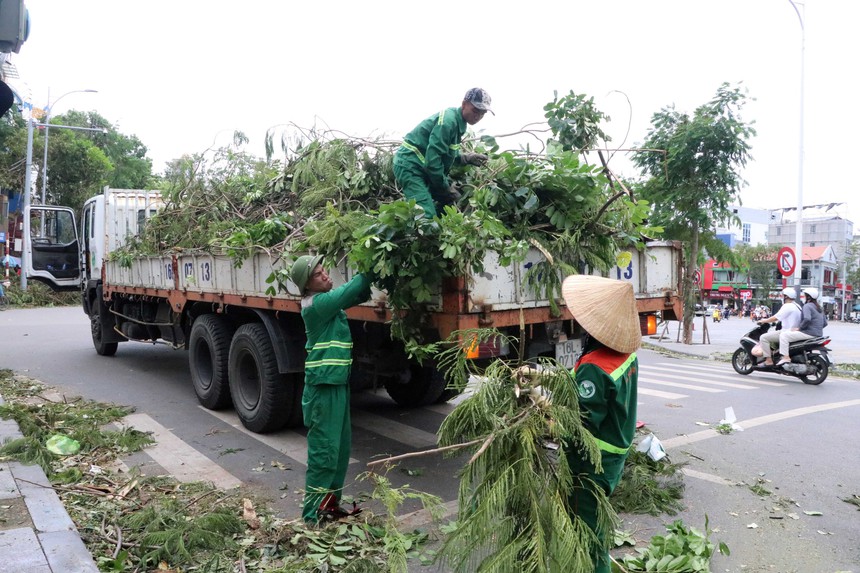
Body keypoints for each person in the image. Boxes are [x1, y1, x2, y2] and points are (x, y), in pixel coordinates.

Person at [561, 274, 640, 573]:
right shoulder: (625, 355)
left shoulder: (595, 367)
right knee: (594, 521)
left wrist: (547, 419)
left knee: (589, 530)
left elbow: (580, 421)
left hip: (592, 461)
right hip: (614, 454)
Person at [289, 254, 373, 525]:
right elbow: (352, 288)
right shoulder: (316, 305)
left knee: (339, 451)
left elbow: (359, 293)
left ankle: (329, 506)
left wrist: (377, 280)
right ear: (307, 285)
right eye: (318, 274)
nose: (325, 275)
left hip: (336, 384)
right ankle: (311, 518)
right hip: (322, 390)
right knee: (324, 453)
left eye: (324, 270)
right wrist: (373, 263)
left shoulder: (327, 304)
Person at [393, 88, 493, 218]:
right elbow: (433, 162)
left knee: (449, 201)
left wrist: (466, 158)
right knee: (426, 215)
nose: (478, 116)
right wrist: (446, 187)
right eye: (475, 110)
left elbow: (446, 154)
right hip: (410, 166)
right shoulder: (448, 122)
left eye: (482, 113)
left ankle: (438, 225)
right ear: (464, 104)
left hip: (422, 167)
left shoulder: (459, 123)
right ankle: (425, 225)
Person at [778, 287, 827, 365]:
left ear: (808, 297)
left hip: (808, 333)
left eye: (805, 295)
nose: (804, 297)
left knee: (784, 336)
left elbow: (807, 319)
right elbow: (825, 323)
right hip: (818, 334)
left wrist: (800, 328)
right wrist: (816, 329)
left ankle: (786, 357)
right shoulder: (819, 307)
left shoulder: (807, 306)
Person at [757, 287, 802, 366]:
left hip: (786, 331)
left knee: (763, 338)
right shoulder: (797, 306)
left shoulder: (787, 306)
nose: (782, 297)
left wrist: (763, 320)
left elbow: (775, 318)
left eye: (783, 295)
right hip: (794, 331)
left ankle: (768, 360)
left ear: (786, 296)